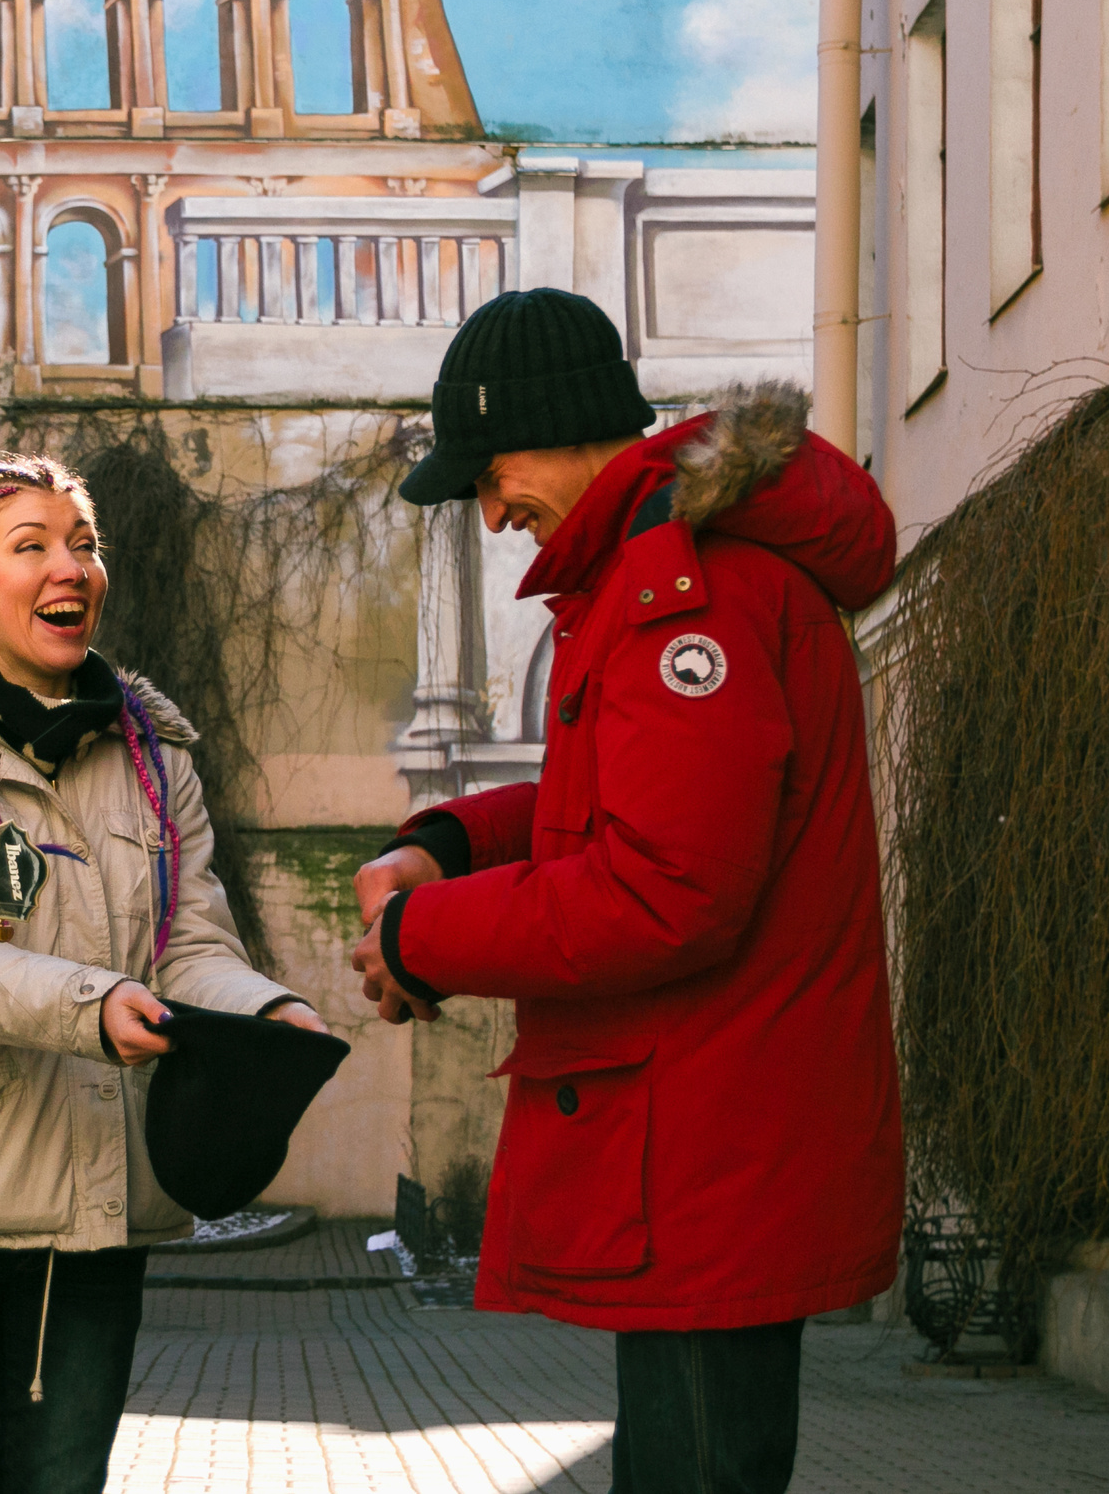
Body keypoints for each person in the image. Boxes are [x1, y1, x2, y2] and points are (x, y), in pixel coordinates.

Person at [348, 288, 903, 1494]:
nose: (493, 512)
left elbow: (666, 891)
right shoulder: (667, 578)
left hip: (705, 1152)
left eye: (490, 474)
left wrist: (419, 936)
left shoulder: (681, 595)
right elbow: (618, 801)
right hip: (712, 1144)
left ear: (550, 430)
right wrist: (445, 844)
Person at [0, 455, 329, 1494]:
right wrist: (95, 1006)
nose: (71, 567)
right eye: (33, 545)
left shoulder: (156, 753)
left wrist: (269, 1011)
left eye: (84, 545)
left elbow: (188, 945)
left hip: (95, 1214)